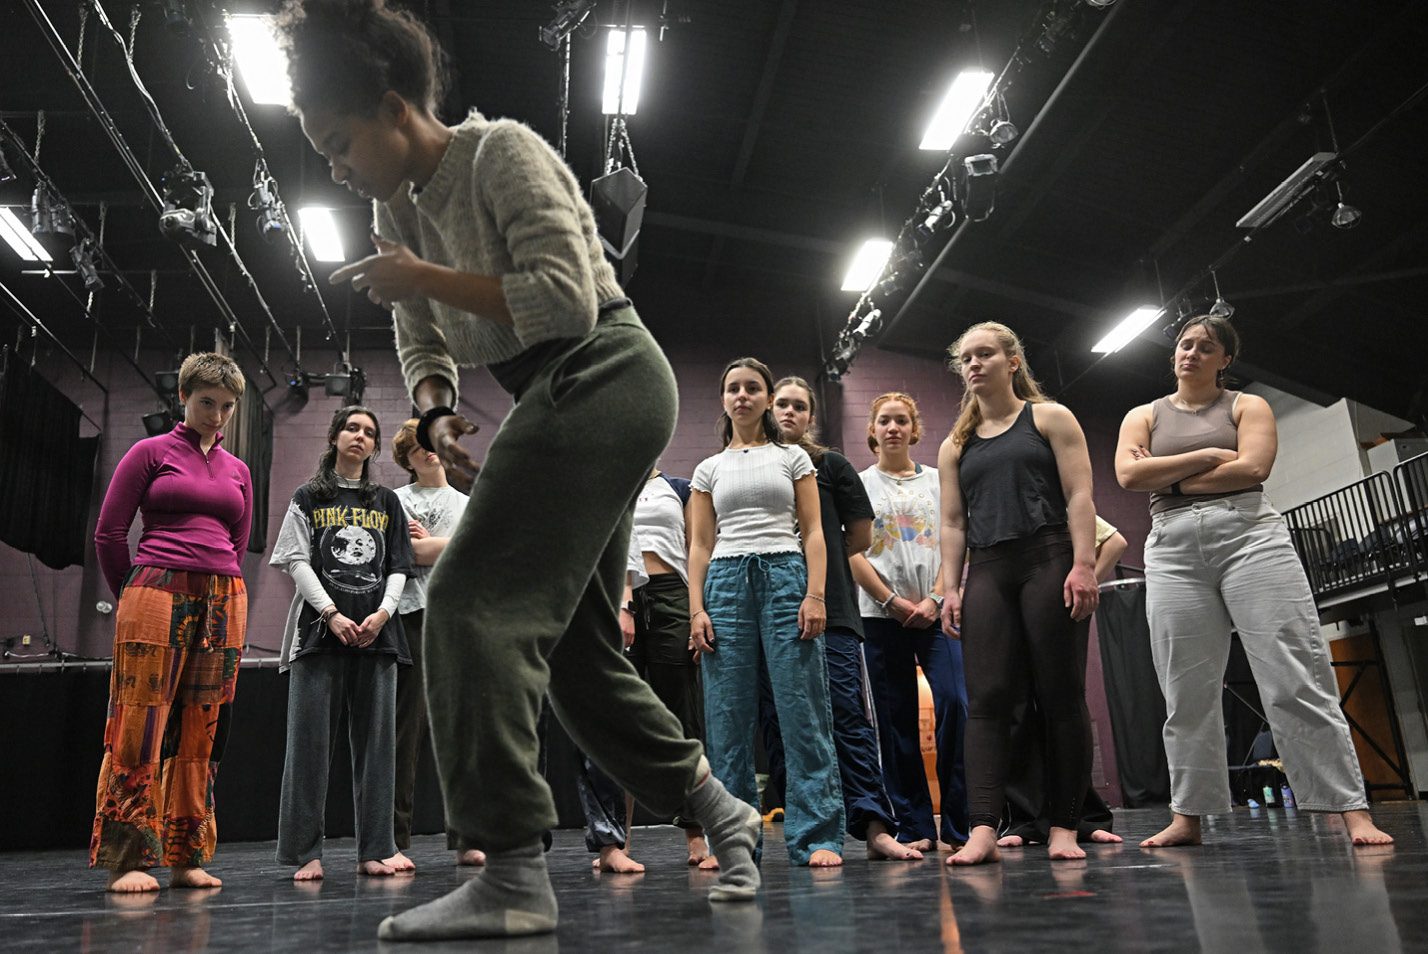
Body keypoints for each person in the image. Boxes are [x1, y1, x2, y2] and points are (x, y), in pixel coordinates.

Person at [275, 0, 762, 937]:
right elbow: (421, 340)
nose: (336, 168)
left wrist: (422, 278)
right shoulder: (394, 206)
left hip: (605, 368)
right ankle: (717, 809)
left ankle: (509, 870)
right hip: (559, 390)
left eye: (340, 143)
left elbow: (564, 300)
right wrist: (432, 409)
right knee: (574, 651)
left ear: (392, 105)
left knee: (465, 600)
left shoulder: (502, 154)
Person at [1114, 314, 1393, 848]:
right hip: (1172, 547)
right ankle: (1188, 816)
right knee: (1184, 689)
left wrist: (1169, 471)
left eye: (1204, 347)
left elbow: (1254, 469)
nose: (1190, 353)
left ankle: (1351, 810)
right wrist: (1207, 455)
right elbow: (1128, 476)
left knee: (1295, 674)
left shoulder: (1248, 406)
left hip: (1249, 537)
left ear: (1226, 360)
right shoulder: (1141, 414)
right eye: (1183, 345)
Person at [938, 321, 1100, 866]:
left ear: (1013, 361)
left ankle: (1064, 826)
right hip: (988, 568)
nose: (974, 364)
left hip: (1048, 557)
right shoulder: (955, 444)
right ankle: (982, 829)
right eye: (966, 358)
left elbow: (1080, 494)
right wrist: (949, 588)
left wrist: (1083, 565)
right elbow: (954, 522)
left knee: (1060, 695)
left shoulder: (1049, 418)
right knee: (985, 701)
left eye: (985, 354)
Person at [90, 352, 251, 893]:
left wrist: (217, 584)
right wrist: (134, 594)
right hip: (154, 590)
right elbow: (109, 534)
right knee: (140, 725)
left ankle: (187, 856)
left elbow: (238, 543)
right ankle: (129, 860)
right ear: (184, 397)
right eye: (208, 402)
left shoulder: (238, 470)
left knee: (202, 730)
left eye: (227, 406)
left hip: (223, 595)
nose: (218, 415)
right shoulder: (150, 452)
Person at [688, 358, 843, 868]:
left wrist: (815, 594)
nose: (742, 396)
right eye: (733, 388)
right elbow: (700, 545)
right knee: (727, 719)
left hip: (785, 578)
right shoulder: (709, 468)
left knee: (804, 711)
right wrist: (696, 610)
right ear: (724, 399)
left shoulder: (792, 457)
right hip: (726, 586)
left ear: (766, 397)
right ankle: (732, 841)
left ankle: (816, 836)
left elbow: (815, 531)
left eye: (753, 388)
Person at [765, 376, 922, 861]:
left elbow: (859, 538)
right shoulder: (747, 469)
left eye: (799, 406)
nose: (789, 413)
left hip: (830, 611)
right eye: (782, 405)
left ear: (811, 416)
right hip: (768, 615)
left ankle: (875, 828)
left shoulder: (830, 465)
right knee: (780, 726)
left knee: (848, 718)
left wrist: (821, 566)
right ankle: (810, 832)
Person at [270, 405, 416, 881]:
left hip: (378, 637)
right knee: (308, 750)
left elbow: (398, 565)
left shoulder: (388, 501)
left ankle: (376, 850)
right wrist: (329, 612)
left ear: (375, 446)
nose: (360, 436)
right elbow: (295, 560)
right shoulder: (309, 495)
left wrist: (383, 613)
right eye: (351, 428)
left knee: (379, 753)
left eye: (369, 432)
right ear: (335, 436)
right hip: (318, 637)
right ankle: (304, 853)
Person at [849, 391, 969, 854]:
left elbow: (960, 538)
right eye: (884, 421)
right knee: (896, 721)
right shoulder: (859, 485)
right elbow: (852, 550)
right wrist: (893, 601)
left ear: (914, 430)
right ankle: (915, 823)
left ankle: (959, 826)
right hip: (880, 616)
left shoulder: (941, 481)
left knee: (956, 704)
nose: (893, 427)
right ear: (873, 431)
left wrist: (938, 596)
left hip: (940, 613)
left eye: (901, 420)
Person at [997, 515, 1127, 848]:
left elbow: (1115, 542)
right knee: (1017, 709)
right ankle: (1026, 819)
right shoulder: (988, 506)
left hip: (1055, 613)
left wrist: (1078, 593)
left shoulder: (1053, 503)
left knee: (1062, 707)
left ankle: (1084, 816)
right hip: (1006, 613)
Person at [387, 418, 483, 870]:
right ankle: (393, 839)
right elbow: (397, 555)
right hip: (406, 617)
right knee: (405, 731)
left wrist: (434, 547)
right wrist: (442, 547)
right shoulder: (393, 502)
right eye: (416, 448)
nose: (427, 452)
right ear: (405, 459)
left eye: (432, 444)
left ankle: (467, 837)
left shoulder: (468, 503)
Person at [626, 466, 710, 866]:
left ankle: (695, 833)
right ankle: (616, 838)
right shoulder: (609, 484)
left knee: (683, 717)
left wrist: (698, 611)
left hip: (672, 596)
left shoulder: (679, 488)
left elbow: (697, 548)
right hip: (622, 597)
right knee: (620, 720)